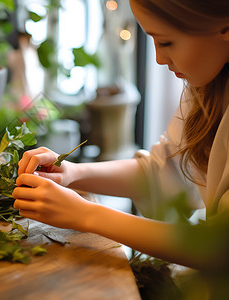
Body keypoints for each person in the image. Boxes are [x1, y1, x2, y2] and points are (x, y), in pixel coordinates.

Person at [12, 0, 229, 271]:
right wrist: (71, 173)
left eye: (166, 42)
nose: (160, 59)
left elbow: (217, 246)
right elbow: (165, 172)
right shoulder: (209, 86)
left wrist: (85, 214)